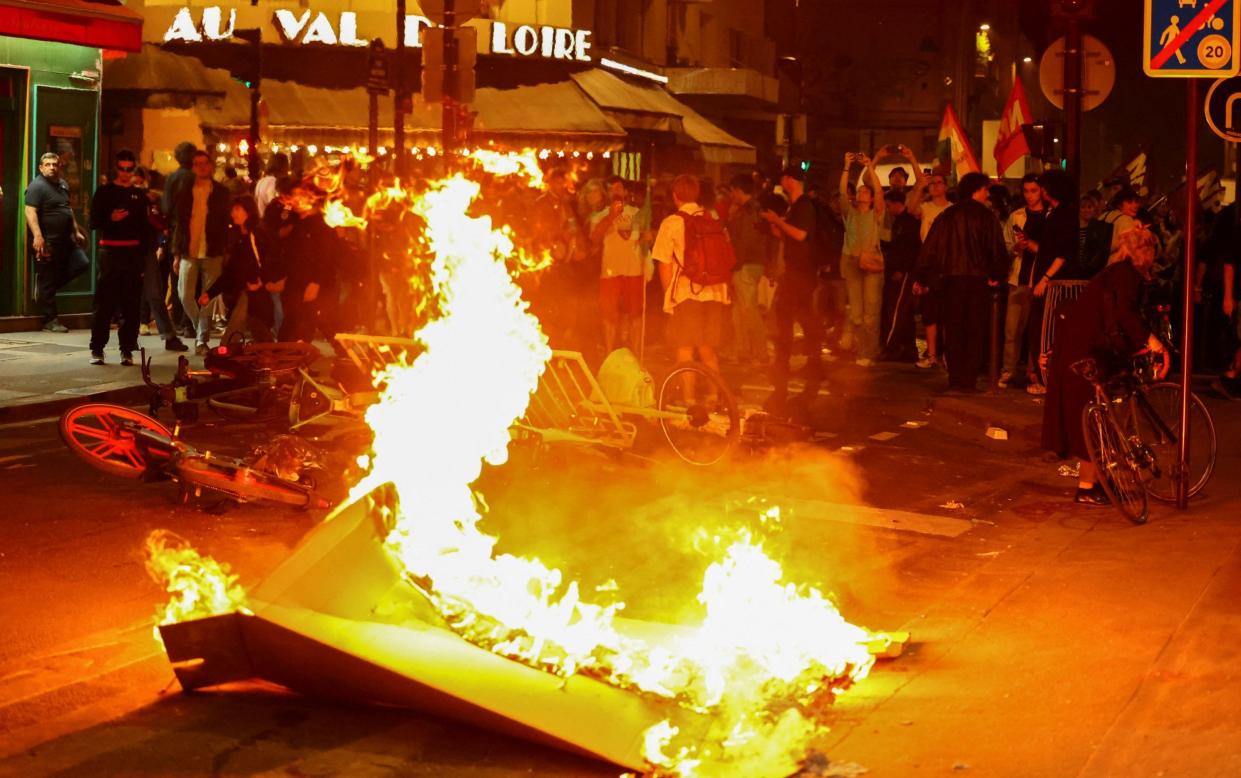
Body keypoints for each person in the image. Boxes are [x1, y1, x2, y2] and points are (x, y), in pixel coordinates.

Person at [1041, 228, 1169, 506]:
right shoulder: (1127, 276)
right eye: (1151, 252)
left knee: (1098, 414)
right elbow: (1125, 313)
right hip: (1085, 354)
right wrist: (1153, 342)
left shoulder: (1116, 272)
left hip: (1081, 349)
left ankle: (1097, 481)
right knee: (1094, 417)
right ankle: (1087, 487)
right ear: (1144, 252)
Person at [916, 172, 1010, 393]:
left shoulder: (947, 216)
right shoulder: (987, 217)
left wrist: (921, 275)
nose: (988, 194)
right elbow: (996, 249)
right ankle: (968, 379)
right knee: (975, 330)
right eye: (986, 189)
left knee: (954, 328)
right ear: (977, 190)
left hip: (950, 281)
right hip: (978, 281)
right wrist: (997, 274)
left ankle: (956, 378)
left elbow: (930, 248)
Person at [652, 174, 730, 389]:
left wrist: (670, 297)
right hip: (714, 292)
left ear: (675, 196)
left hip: (687, 292)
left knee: (684, 348)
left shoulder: (672, 223)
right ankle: (716, 397)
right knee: (707, 349)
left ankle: (689, 402)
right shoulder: (712, 219)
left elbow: (664, 264)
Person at [763, 165, 824, 411]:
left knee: (786, 318)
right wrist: (778, 228)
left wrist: (778, 220)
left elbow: (801, 235)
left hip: (801, 274)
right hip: (796, 272)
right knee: (805, 318)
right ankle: (813, 364)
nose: (782, 183)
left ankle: (786, 369)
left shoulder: (804, 206)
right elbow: (792, 237)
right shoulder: (794, 206)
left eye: (783, 178)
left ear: (790, 180)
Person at [85, 151, 153, 365]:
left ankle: (127, 349)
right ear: (116, 168)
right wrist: (110, 218)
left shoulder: (139, 196)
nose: (125, 173)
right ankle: (97, 348)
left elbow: (145, 228)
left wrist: (143, 257)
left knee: (131, 304)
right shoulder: (105, 193)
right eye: (122, 168)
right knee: (105, 303)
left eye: (129, 169)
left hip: (132, 253)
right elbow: (93, 221)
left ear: (133, 169)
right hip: (111, 252)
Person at [172, 150, 231, 356]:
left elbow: (225, 224)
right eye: (197, 164)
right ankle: (201, 331)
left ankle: (201, 340)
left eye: (205, 163)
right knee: (184, 295)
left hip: (212, 251)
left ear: (211, 165)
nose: (201, 167)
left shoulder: (221, 192)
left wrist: (225, 251)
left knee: (208, 298)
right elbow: (179, 223)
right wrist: (177, 254)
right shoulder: (185, 191)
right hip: (189, 251)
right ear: (193, 167)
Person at [1025, 169, 1079, 395]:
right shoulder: (1052, 213)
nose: (1043, 191)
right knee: (1038, 327)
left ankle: (1048, 378)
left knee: (1047, 329)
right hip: (1045, 278)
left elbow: (1062, 253)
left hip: (1054, 283)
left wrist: (1046, 278)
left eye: (1045, 187)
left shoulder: (1065, 215)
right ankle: (1043, 375)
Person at [24, 152, 89, 333]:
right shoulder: (37, 186)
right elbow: (30, 212)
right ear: (41, 167)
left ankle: (46, 289)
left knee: (82, 263)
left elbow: (67, 209)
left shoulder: (63, 184)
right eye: (48, 164)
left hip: (66, 240)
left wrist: (76, 231)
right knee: (48, 277)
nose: (52, 167)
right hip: (47, 242)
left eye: (55, 164)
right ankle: (50, 321)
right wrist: (38, 236)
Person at [198, 195, 274, 346]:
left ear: (249, 211)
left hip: (255, 294)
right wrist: (211, 293)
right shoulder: (239, 237)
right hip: (246, 293)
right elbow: (230, 271)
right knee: (261, 337)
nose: (233, 213)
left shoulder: (257, 235)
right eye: (232, 210)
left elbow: (272, 260)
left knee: (233, 336)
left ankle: (224, 359)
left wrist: (261, 281)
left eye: (237, 209)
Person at [999, 174, 1047, 388]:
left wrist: (1033, 246)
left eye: (1033, 191)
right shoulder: (1016, 215)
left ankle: (1032, 370)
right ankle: (1008, 369)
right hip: (1018, 278)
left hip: (1039, 279)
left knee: (1035, 330)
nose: (1029, 195)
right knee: (1012, 330)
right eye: (1026, 191)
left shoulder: (1049, 215)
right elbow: (1006, 244)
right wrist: (1015, 248)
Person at [905, 153, 952, 369]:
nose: (934, 186)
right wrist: (920, 187)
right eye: (932, 183)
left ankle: (948, 355)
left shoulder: (952, 209)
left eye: (938, 183)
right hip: (928, 264)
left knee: (948, 313)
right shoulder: (926, 208)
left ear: (946, 186)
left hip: (948, 263)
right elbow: (911, 209)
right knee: (930, 312)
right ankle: (932, 355)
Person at [590, 177, 646, 355]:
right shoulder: (600, 215)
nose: (616, 191)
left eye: (619, 187)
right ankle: (609, 354)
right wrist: (611, 216)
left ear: (625, 191)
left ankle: (635, 354)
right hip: (610, 272)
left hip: (634, 271)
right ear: (607, 193)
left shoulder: (638, 213)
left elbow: (646, 237)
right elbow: (594, 239)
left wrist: (647, 237)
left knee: (635, 315)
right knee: (609, 316)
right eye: (611, 188)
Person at [839, 152, 885, 366]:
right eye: (859, 190)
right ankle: (859, 347)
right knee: (857, 312)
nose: (863, 192)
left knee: (871, 312)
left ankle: (867, 352)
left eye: (866, 190)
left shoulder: (876, 213)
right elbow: (841, 192)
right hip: (851, 261)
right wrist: (847, 166)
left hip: (871, 263)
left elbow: (879, 192)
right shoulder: (850, 212)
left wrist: (870, 167)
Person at [726, 174, 771, 364]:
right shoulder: (755, 209)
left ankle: (760, 353)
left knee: (748, 309)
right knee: (740, 311)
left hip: (744, 264)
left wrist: (734, 265)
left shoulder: (748, 212)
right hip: (752, 263)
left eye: (731, 191)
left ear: (737, 190)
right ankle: (743, 351)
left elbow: (743, 241)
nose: (730, 195)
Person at [879, 189, 921, 361]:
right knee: (902, 311)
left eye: (889, 206)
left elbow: (911, 249)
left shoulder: (909, 223)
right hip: (896, 271)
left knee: (896, 311)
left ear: (898, 204)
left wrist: (902, 270)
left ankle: (895, 347)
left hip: (903, 274)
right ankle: (907, 348)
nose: (887, 209)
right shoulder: (898, 222)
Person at [255, 152, 289, 217]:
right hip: (270, 222)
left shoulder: (261, 181)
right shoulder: (273, 182)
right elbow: (274, 205)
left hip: (262, 220)